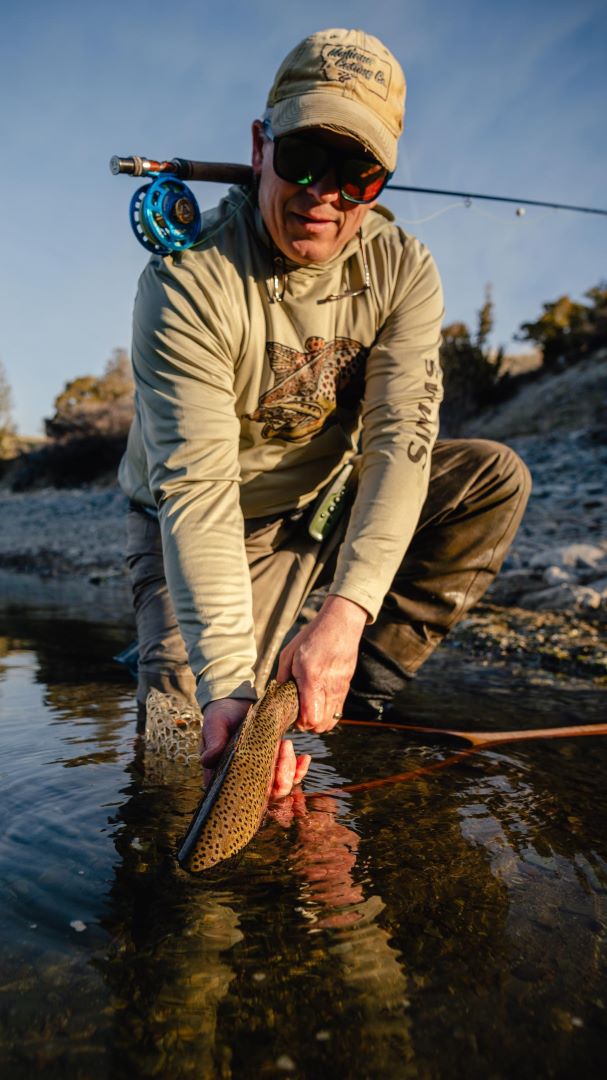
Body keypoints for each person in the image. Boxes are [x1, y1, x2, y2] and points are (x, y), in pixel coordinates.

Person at [118, 28, 531, 795]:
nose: (322, 194)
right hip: (202, 520)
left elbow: (399, 441)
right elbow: (198, 492)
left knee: (490, 479)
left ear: (381, 181)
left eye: (356, 175)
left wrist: (346, 612)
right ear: (259, 144)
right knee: (184, 772)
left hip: (317, 505)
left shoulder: (401, 270)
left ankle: (348, 694)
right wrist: (226, 686)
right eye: (303, 158)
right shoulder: (187, 280)